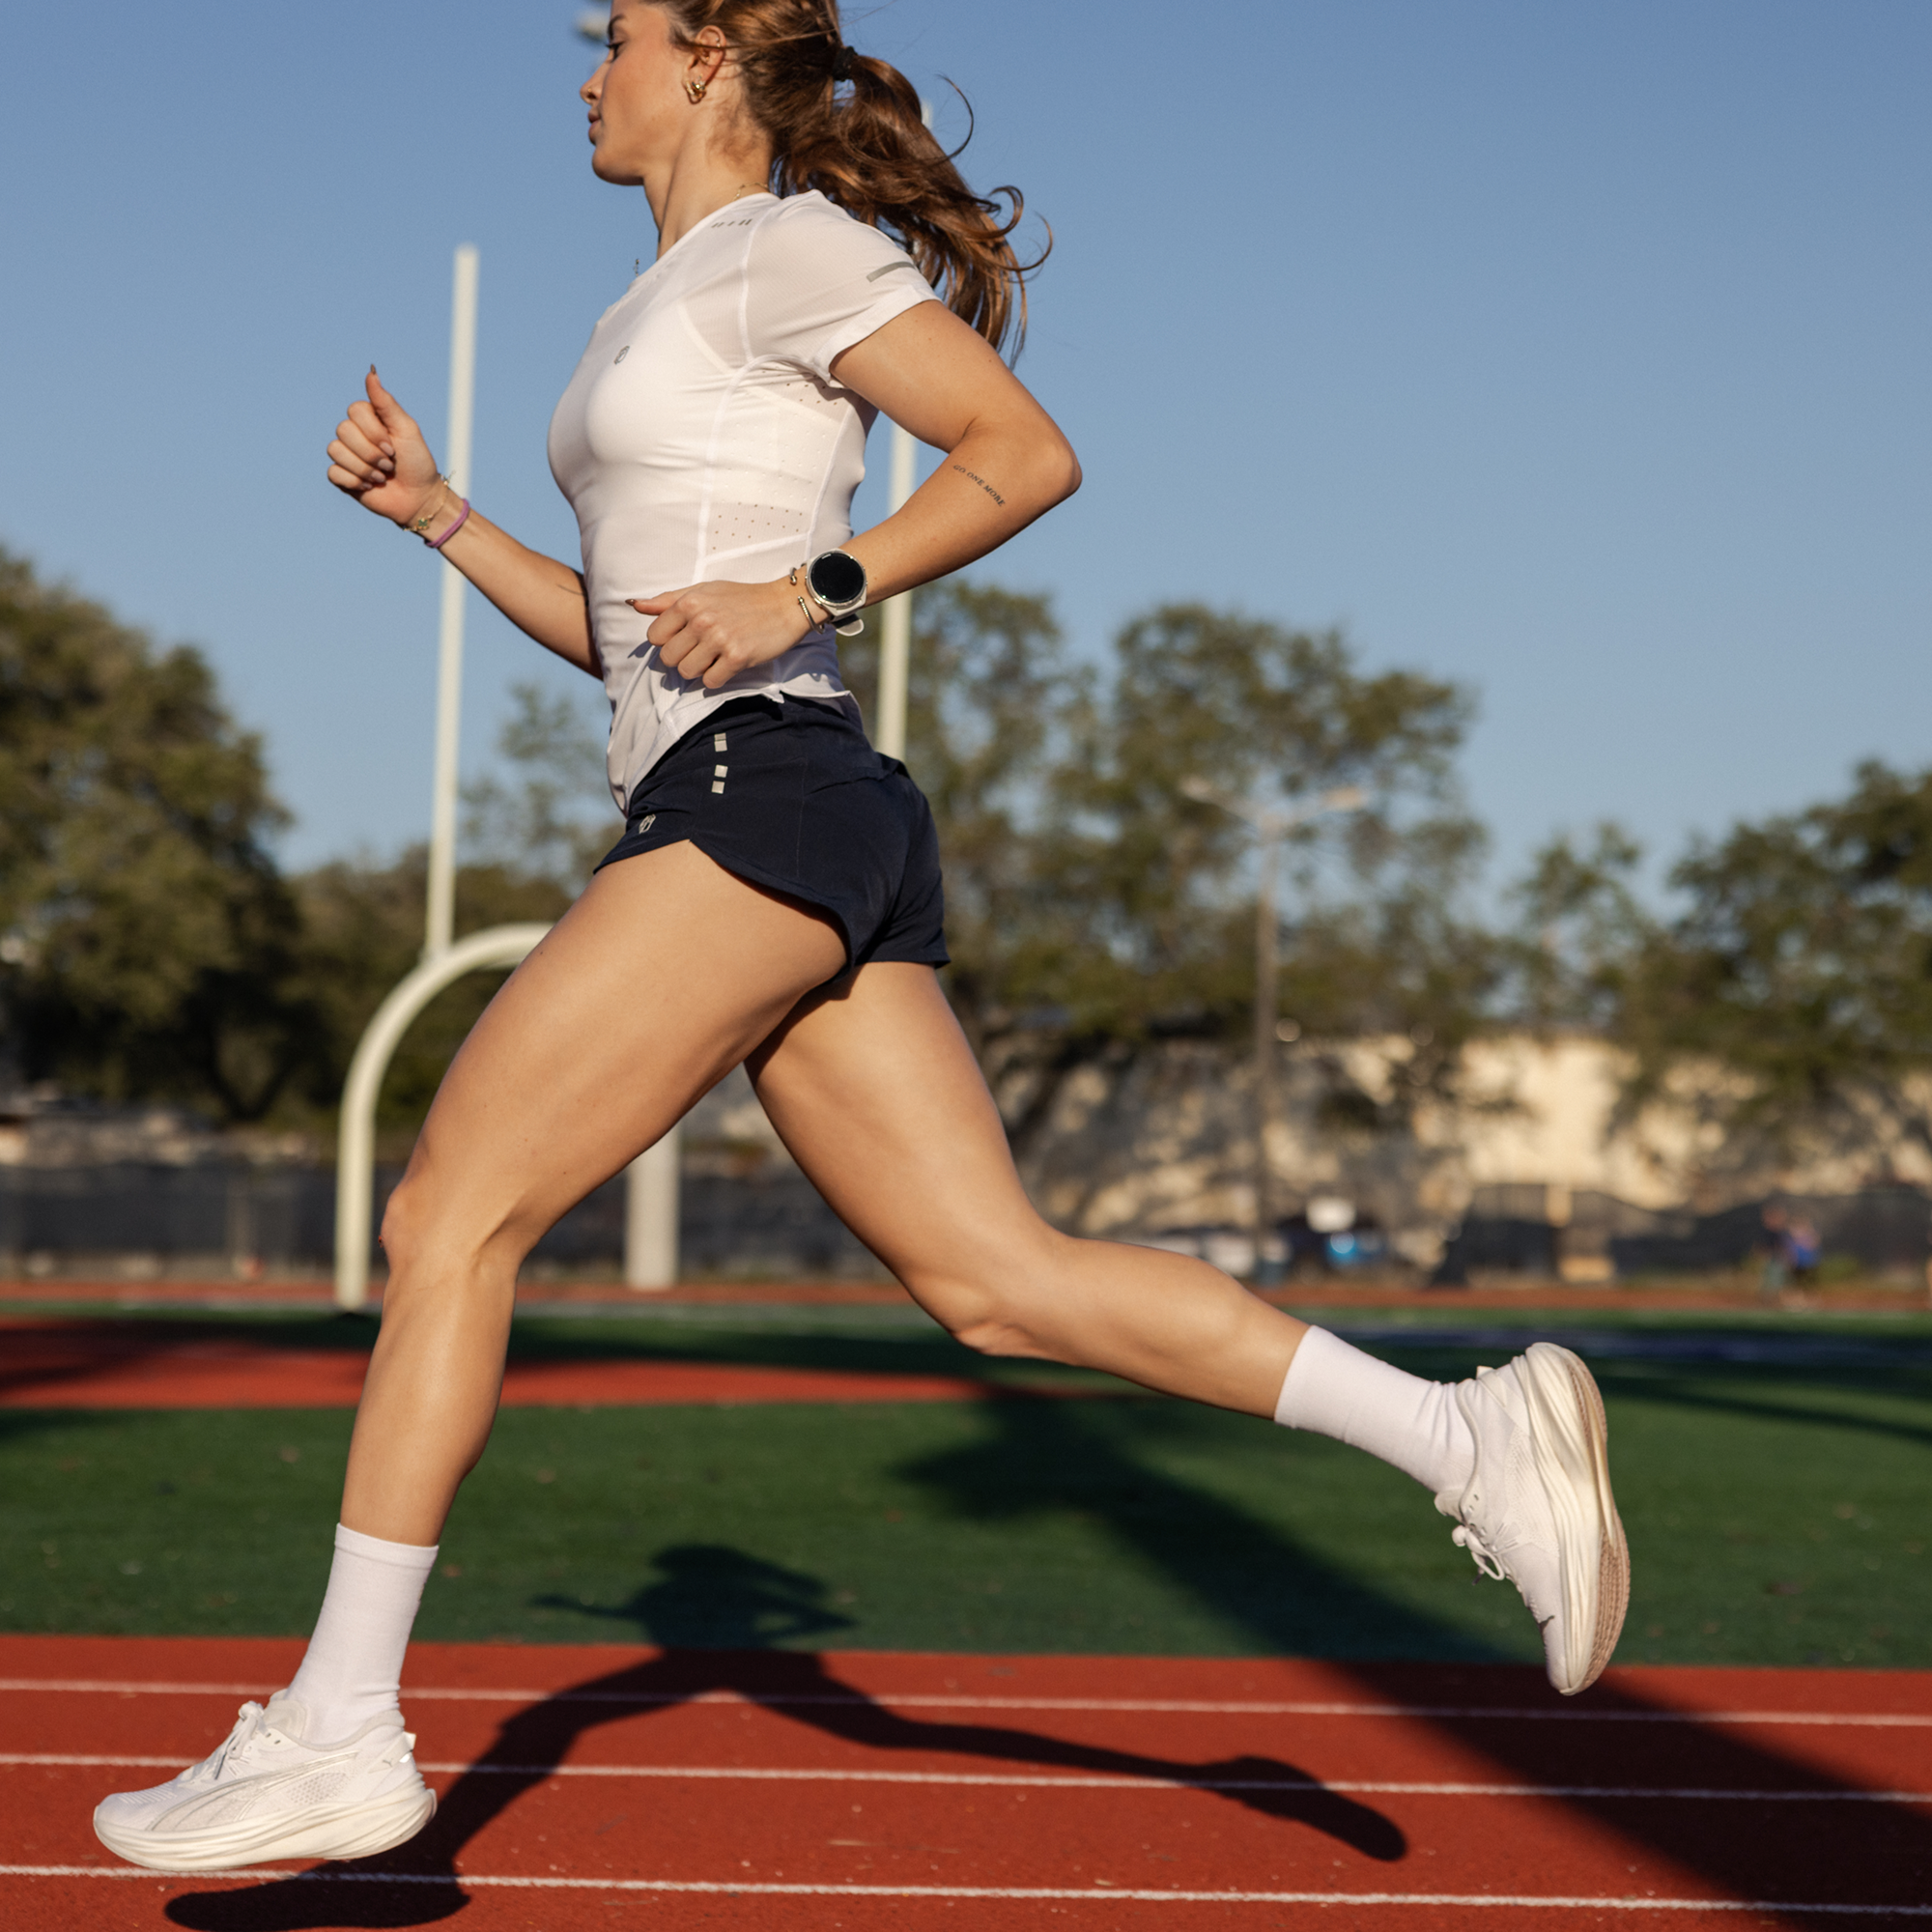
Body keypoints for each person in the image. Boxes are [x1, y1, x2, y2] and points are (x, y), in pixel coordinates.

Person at [94, 0, 1628, 1875]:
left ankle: (337, 1725)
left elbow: (1018, 451)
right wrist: (440, 520)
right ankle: (1466, 1434)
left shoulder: (785, 251)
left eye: (618, 36)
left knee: (450, 1218)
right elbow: (634, 635)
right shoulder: (650, 309)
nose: (588, 72)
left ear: (715, 55)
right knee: (997, 1282)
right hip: (779, 793)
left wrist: (818, 582)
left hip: (768, 795)